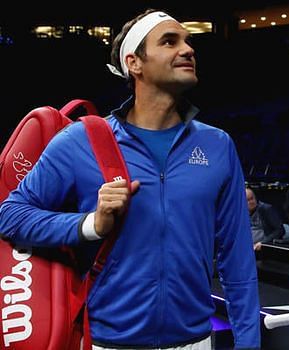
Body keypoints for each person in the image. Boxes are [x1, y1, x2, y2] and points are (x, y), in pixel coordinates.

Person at [0, 9, 260, 350]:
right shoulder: (81, 141)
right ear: (134, 63)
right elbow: (11, 214)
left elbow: (237, 256)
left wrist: (248, 343)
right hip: (110, 342)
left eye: (188, 41)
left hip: (196, 340)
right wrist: (91, 224)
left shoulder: (217, 144)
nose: (187, 49)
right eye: (169, 41)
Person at [246, 186, 285, 251]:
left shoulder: (266, 209)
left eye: (252, 198)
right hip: (247, 248)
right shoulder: (241, 212)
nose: (251, 202)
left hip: (262, 249)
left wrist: (263, 243)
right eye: (247, 200)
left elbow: (280, 230)